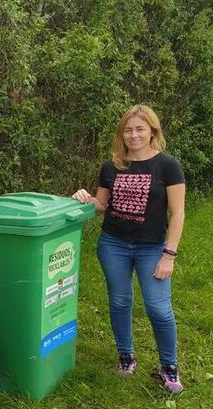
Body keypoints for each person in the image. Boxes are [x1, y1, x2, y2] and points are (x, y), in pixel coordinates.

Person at [72, 104, 186, 393]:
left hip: (152, 248)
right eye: (128, 130)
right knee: (120, 302)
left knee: (158, 308)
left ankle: (168, 367)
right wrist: (84, 197)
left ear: (152, 132)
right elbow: (101, 206)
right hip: (113, 245)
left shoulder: (168, 165)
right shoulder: (112, 166)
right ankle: (126, 357)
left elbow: (178, 213)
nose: (133, 135)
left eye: (140, 129)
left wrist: (168, 255)